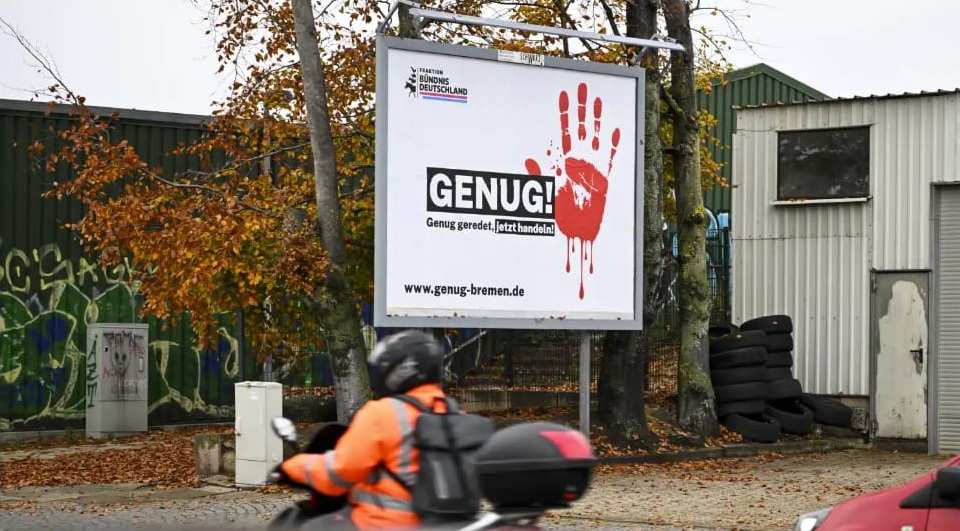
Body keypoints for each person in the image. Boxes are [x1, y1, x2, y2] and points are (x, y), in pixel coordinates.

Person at [279, 329, 448, 531]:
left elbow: (341, 470)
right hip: (447, 523)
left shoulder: (383, 412)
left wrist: (293, 466)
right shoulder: (453, 412)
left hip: (386, 523)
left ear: (400, 372)